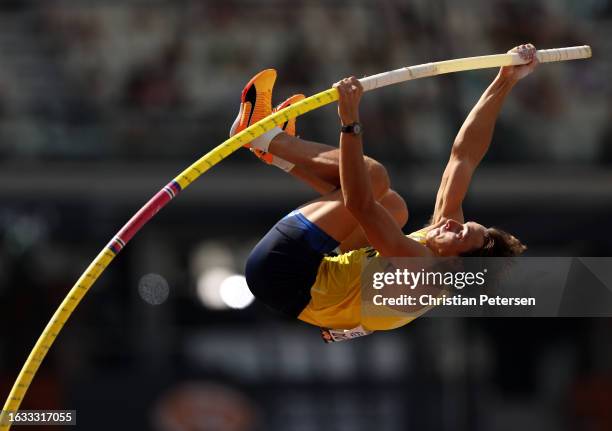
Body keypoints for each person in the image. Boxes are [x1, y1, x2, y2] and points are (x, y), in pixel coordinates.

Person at [232, 44, 536, 340]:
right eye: (462, 224)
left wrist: (350, 121)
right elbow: (464, 156)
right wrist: (504, 80)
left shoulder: (423, 275)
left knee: (372, 177)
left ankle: (263, 134)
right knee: (394, 207)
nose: (451, 223)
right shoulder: (444, 248)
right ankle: (278, 152)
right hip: (314, 285)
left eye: (458, 233)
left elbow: (360, 204)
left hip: (282, 272)